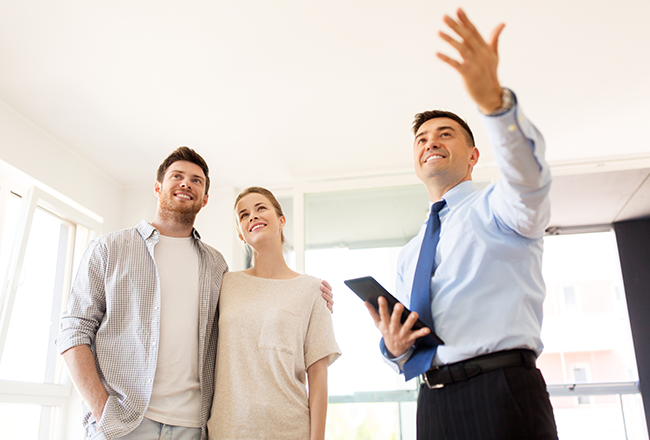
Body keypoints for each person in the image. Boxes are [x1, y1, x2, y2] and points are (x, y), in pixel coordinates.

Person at [364, 9, 558, 440]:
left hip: (503, 392)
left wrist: (496, 107)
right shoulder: (410, 252)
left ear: (473, 156)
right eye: (422, 139)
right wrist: (392, 348)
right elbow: (408, 336)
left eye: (445, 133)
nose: (430, 141)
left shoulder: (501, 205)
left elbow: (530, 178)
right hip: (432, 402)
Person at [56, 148, 334, 440]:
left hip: (193, 428)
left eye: (196, 180)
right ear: (157, 187)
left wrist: (314, 296)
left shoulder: (215, 266)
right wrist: (103, 412)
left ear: (205, 199)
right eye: (177, 176)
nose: (186, 183)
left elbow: (262, 313)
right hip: (125, 424)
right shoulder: (110, 248)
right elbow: (74, 330)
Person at [207, 187, 340, 440]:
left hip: (290, 429)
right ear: (240, 234)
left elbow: (318, 373)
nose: (252, 217)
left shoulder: (312, 289)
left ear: (281, 220)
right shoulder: (224, 284)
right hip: (227, 430)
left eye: (260, 208)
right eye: (244, 215)